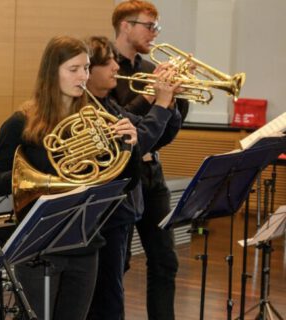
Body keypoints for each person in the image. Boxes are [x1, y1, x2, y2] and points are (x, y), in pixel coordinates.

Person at [0, 36, 137, 320]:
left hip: (84, 241)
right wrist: (53, 176)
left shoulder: (96, 118)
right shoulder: (21, 121)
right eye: (74, 69)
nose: (83, 76)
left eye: (86, 68)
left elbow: (127, 180)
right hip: (38, 245)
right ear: (51, 71)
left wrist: (131, 145)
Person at [83, 35, 182, 320]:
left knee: (115, 288)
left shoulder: (108, 105)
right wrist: (159, 103)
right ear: (90, 71)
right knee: (107, 296)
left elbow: (152, 133)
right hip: (108, 212)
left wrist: (169, 102)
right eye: (109, 62)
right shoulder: (93, 107)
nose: (116, 66)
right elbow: (136, 147)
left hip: (124, 208)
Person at [111, 2, 188, 319]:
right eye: (148, 25)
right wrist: (152, 97)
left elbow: (162, 136)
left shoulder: (147, 69)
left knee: (165, 260)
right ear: (125, 26)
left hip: (152, 173)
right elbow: (116, 118)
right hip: (122, 178)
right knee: (121, 261)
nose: (155, 33)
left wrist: (175, 98)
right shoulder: (104, 69)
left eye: (157, 27)